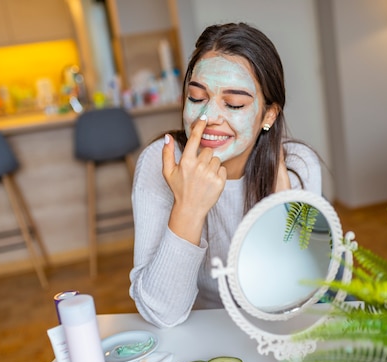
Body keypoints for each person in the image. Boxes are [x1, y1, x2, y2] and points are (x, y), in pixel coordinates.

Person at [129, 22, 322, 327]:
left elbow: (294, 301)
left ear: (268, 115)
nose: (208, 118)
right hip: (198, 332)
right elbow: (161, 313)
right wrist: (188, 207)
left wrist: (279, 215)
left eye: (233, 104)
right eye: (196, 98)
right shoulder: (161, 164)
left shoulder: (299, 167)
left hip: (275, 331)